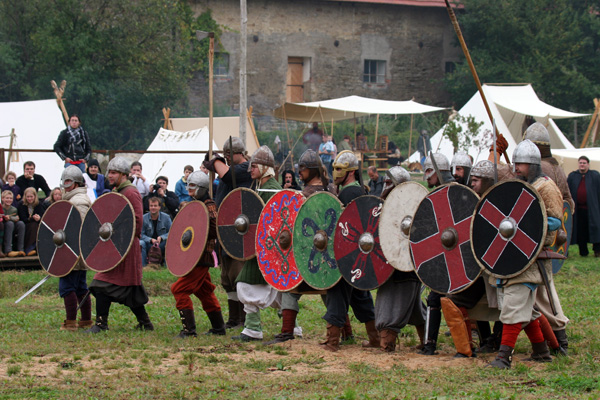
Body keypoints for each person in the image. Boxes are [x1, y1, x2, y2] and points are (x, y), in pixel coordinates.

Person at [488, 140, 563, 369]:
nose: (517, 168)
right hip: (515, 253)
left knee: (514, 303)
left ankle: (503, 357)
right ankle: (542, 352)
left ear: (533, 164)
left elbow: (555, 220)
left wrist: (528, 223)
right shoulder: (521, 186)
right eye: (516, 163)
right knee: (526, 308)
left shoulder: (546, 187)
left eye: (521, 164)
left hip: (533, 254)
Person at [266, 149, 340, 345]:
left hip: (310, 255)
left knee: (292, 288)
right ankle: (345, 332)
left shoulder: (304, 195)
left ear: (313, 170)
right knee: (329, 291)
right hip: (320, 256)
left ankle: (287, 331)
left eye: (303, 169)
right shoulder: (331, 190)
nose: (299, 172)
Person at [86, 156, 154, 333]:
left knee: (101, 284)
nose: (110, 175)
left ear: (124, 174)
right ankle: (145, 323)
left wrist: (120, 242)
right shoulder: (119, 192)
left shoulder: (131, 193)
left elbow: (137, 222)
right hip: (116, 247)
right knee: (131, 290)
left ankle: (101, 324)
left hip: (125, 248)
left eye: (114, 173)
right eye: (109, 172)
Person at [320, 150, 377, 352]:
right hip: (359, 255)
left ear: (351, 172)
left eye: (339, 169)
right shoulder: (362, 191)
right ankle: (375, 337)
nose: (335, 172)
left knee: (337, 293)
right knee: (360, 295)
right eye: (334, 168)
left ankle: (332, 341)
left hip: (345, 254)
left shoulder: (347, 194)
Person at [232, 146, 282, 342]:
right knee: (278, 289)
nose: (250, 170)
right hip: (260, 247)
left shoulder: (273, 190)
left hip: (270, 248)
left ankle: (254, 330)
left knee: (247, 283)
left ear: (264, 168)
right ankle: (291, 327)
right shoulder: (259, 187)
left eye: (254, 166)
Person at [203, 137, 253, 330]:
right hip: (225, 229)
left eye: (230, 154)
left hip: (240, 231)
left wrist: (215, 159)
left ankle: (243, 318)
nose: (228, 158)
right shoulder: (229, 170)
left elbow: (226, 175)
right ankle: (233, 318)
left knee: (238, 275)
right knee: (227, 278)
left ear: (240, 153)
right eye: (225, 155)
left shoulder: (246, 168)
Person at [375, 166, 427, 352]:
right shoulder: (383, 205)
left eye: (390, 183)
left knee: (392, 306)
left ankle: (387, 343)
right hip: (390, 266)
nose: (386, 186)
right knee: (414, 308)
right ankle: (427, 340)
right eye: (385, 182)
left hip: (406, 265)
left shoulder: (414, 206)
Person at [171, 171, 226, 338]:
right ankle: (218, 328)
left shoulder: (208, 205)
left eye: (193, 186)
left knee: (179, 289)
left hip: (201, 257)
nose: (189, 189)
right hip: (194, 256)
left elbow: (215, 229)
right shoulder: (195, 204)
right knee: (204, 291)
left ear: (202, 188)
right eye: (188, 186)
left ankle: (189, 330)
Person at [419, 153, 455, 356]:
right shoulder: (439, 192)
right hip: (441, 255)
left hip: (455, 257)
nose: (426, 177)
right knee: (434, 298)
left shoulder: (454, 191)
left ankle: (479, 342)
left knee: (456, 299)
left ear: (439, 171)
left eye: (429, 171)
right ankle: (429, 345)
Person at [57, 166, 93, 331]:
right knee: (80, 287)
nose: (65, 186)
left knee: (67, 287)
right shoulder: (77, 199)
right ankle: (85, 320)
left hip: (74, 251)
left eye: (68, 182)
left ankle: (71, 322)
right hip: (77, 250)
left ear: (76, 183)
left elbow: (81, 228)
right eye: (64, 182)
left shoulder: (78, 201)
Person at [567, 155, 600, 258]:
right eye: (580, 163)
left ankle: (597, 251)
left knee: (596, 229)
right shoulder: (572, 176)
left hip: (592, 209)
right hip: (578, 210)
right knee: (580, 231)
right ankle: (583, 252)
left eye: (584, 163)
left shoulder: (595, 176)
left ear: (588, 164)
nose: (582, 165)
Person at [140, 196, 172, 267]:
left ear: (159, 207)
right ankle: (143, 267)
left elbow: (172, 232)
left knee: (170, 243)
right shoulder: (143, 218)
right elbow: (141, 234)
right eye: (151, 206)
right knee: (141, 243)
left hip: (162, 244)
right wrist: (150, 240)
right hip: (149, 244)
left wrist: (162, 237)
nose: (153, 208)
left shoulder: (166, 217)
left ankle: (167, 267)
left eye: (155, 206)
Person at [17, 187, 44, 256]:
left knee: (36, 226)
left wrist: (39, 218)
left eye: (31, 197)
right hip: (25, 225)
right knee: (33, 226)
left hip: (36, 224)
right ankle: (28, 248)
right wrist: (32, 218)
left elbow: (42, 215)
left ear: (35, 196)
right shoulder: (21, 204)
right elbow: (23, 218)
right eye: (28, 197)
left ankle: (35, 248)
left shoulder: (39, 204)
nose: (29, 198)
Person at [2, 191, 25, 257]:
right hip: (4, 226)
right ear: (2, 199)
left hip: (12, 227)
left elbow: (16, 218)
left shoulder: (14, 209)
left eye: (10, 198)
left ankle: (21, 249)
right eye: (7, 198)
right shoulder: (1, 208)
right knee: (10, 224)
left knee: (21, 224)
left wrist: (10, 218)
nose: (9, 200)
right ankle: (8, 250)